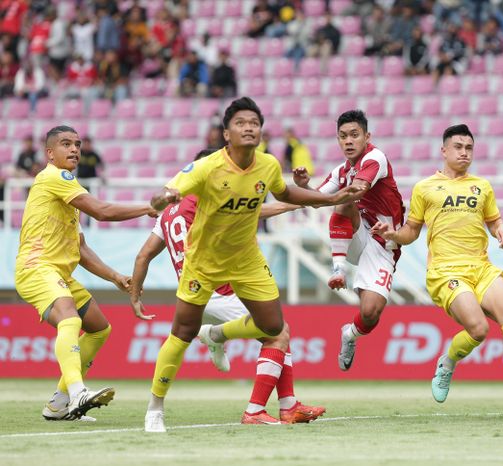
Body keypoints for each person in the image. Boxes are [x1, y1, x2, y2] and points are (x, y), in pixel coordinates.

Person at [143, 97, 363, 433]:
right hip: (204, 264)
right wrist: (161, 198)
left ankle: (217, 336)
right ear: (226, 133)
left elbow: (286, 193)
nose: (249, 127)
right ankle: (155, 407)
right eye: (241, 123)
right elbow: (169, 189)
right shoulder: (207, 167)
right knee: (182, 333)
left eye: (254, 123)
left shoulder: (268, 165)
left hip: (247, 261)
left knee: (274, 328)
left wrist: (331, 198)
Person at [131, 148, 325, 425]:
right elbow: (257, 211)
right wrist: (300, 202)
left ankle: (288, 405)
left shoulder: (168, 213)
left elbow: (143, 255)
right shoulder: (208, 199)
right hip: (221, 287)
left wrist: (135, 293)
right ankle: (254, 404)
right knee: (278, 333)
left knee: (277, 332)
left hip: (194, 289)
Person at [372, 124, 503, 410]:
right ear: (444, 150)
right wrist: (393, 235)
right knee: (477, 329)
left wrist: (501, 229)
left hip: (481, 267)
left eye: (469, 148)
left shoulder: (482, 186)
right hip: (445, 271)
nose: (464, 153)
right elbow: (412, 230)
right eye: (458, 147)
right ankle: (448, 361)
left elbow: (493, 221)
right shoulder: (425, 188)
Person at [14, 126, 158, 422]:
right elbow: (103, 211)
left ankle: (58, 403)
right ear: (50, 153)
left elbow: (80, 249)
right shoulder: (55, 177)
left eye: (77, 144)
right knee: (69, 316)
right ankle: (78, 391)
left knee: (99, 327)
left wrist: (115, 277)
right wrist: (148, 207)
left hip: (60, 272)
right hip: (36, 267)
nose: (75, 149)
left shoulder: (68, 193)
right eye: (66, 144)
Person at [292, 110, 404, 372]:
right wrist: (304, 187)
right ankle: (338, 269)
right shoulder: (340, 171)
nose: (349, 141)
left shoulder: (376, 158)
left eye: (354, 135)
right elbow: (320, 200)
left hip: (383, 243)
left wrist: (309, 195)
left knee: (370, 312)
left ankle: (349, 334)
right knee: (344, 203)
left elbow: (358, 188)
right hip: (357, 233)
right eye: (343, 136)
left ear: (367, 136)